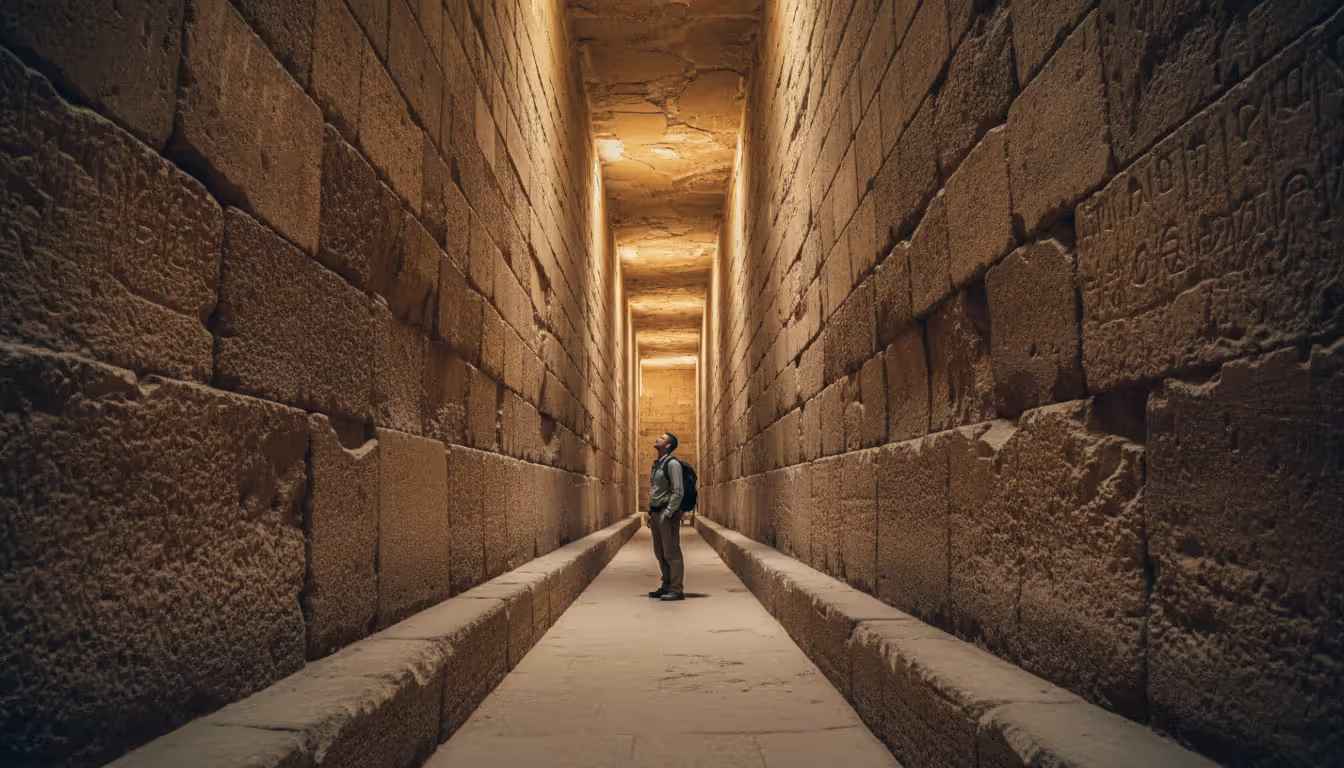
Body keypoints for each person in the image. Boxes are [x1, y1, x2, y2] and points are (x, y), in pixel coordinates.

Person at [647, 432, 686, 601]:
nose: (658, 439)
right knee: (660, 552)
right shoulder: (657, 464)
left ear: (668, 445)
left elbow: (678, 491)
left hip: (666, 513)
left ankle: (676, 589)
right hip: (656, 513)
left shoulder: (673, 464)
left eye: (662, 438)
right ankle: (666, 585)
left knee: (671, 552)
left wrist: (668, 512)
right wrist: (650, 512)